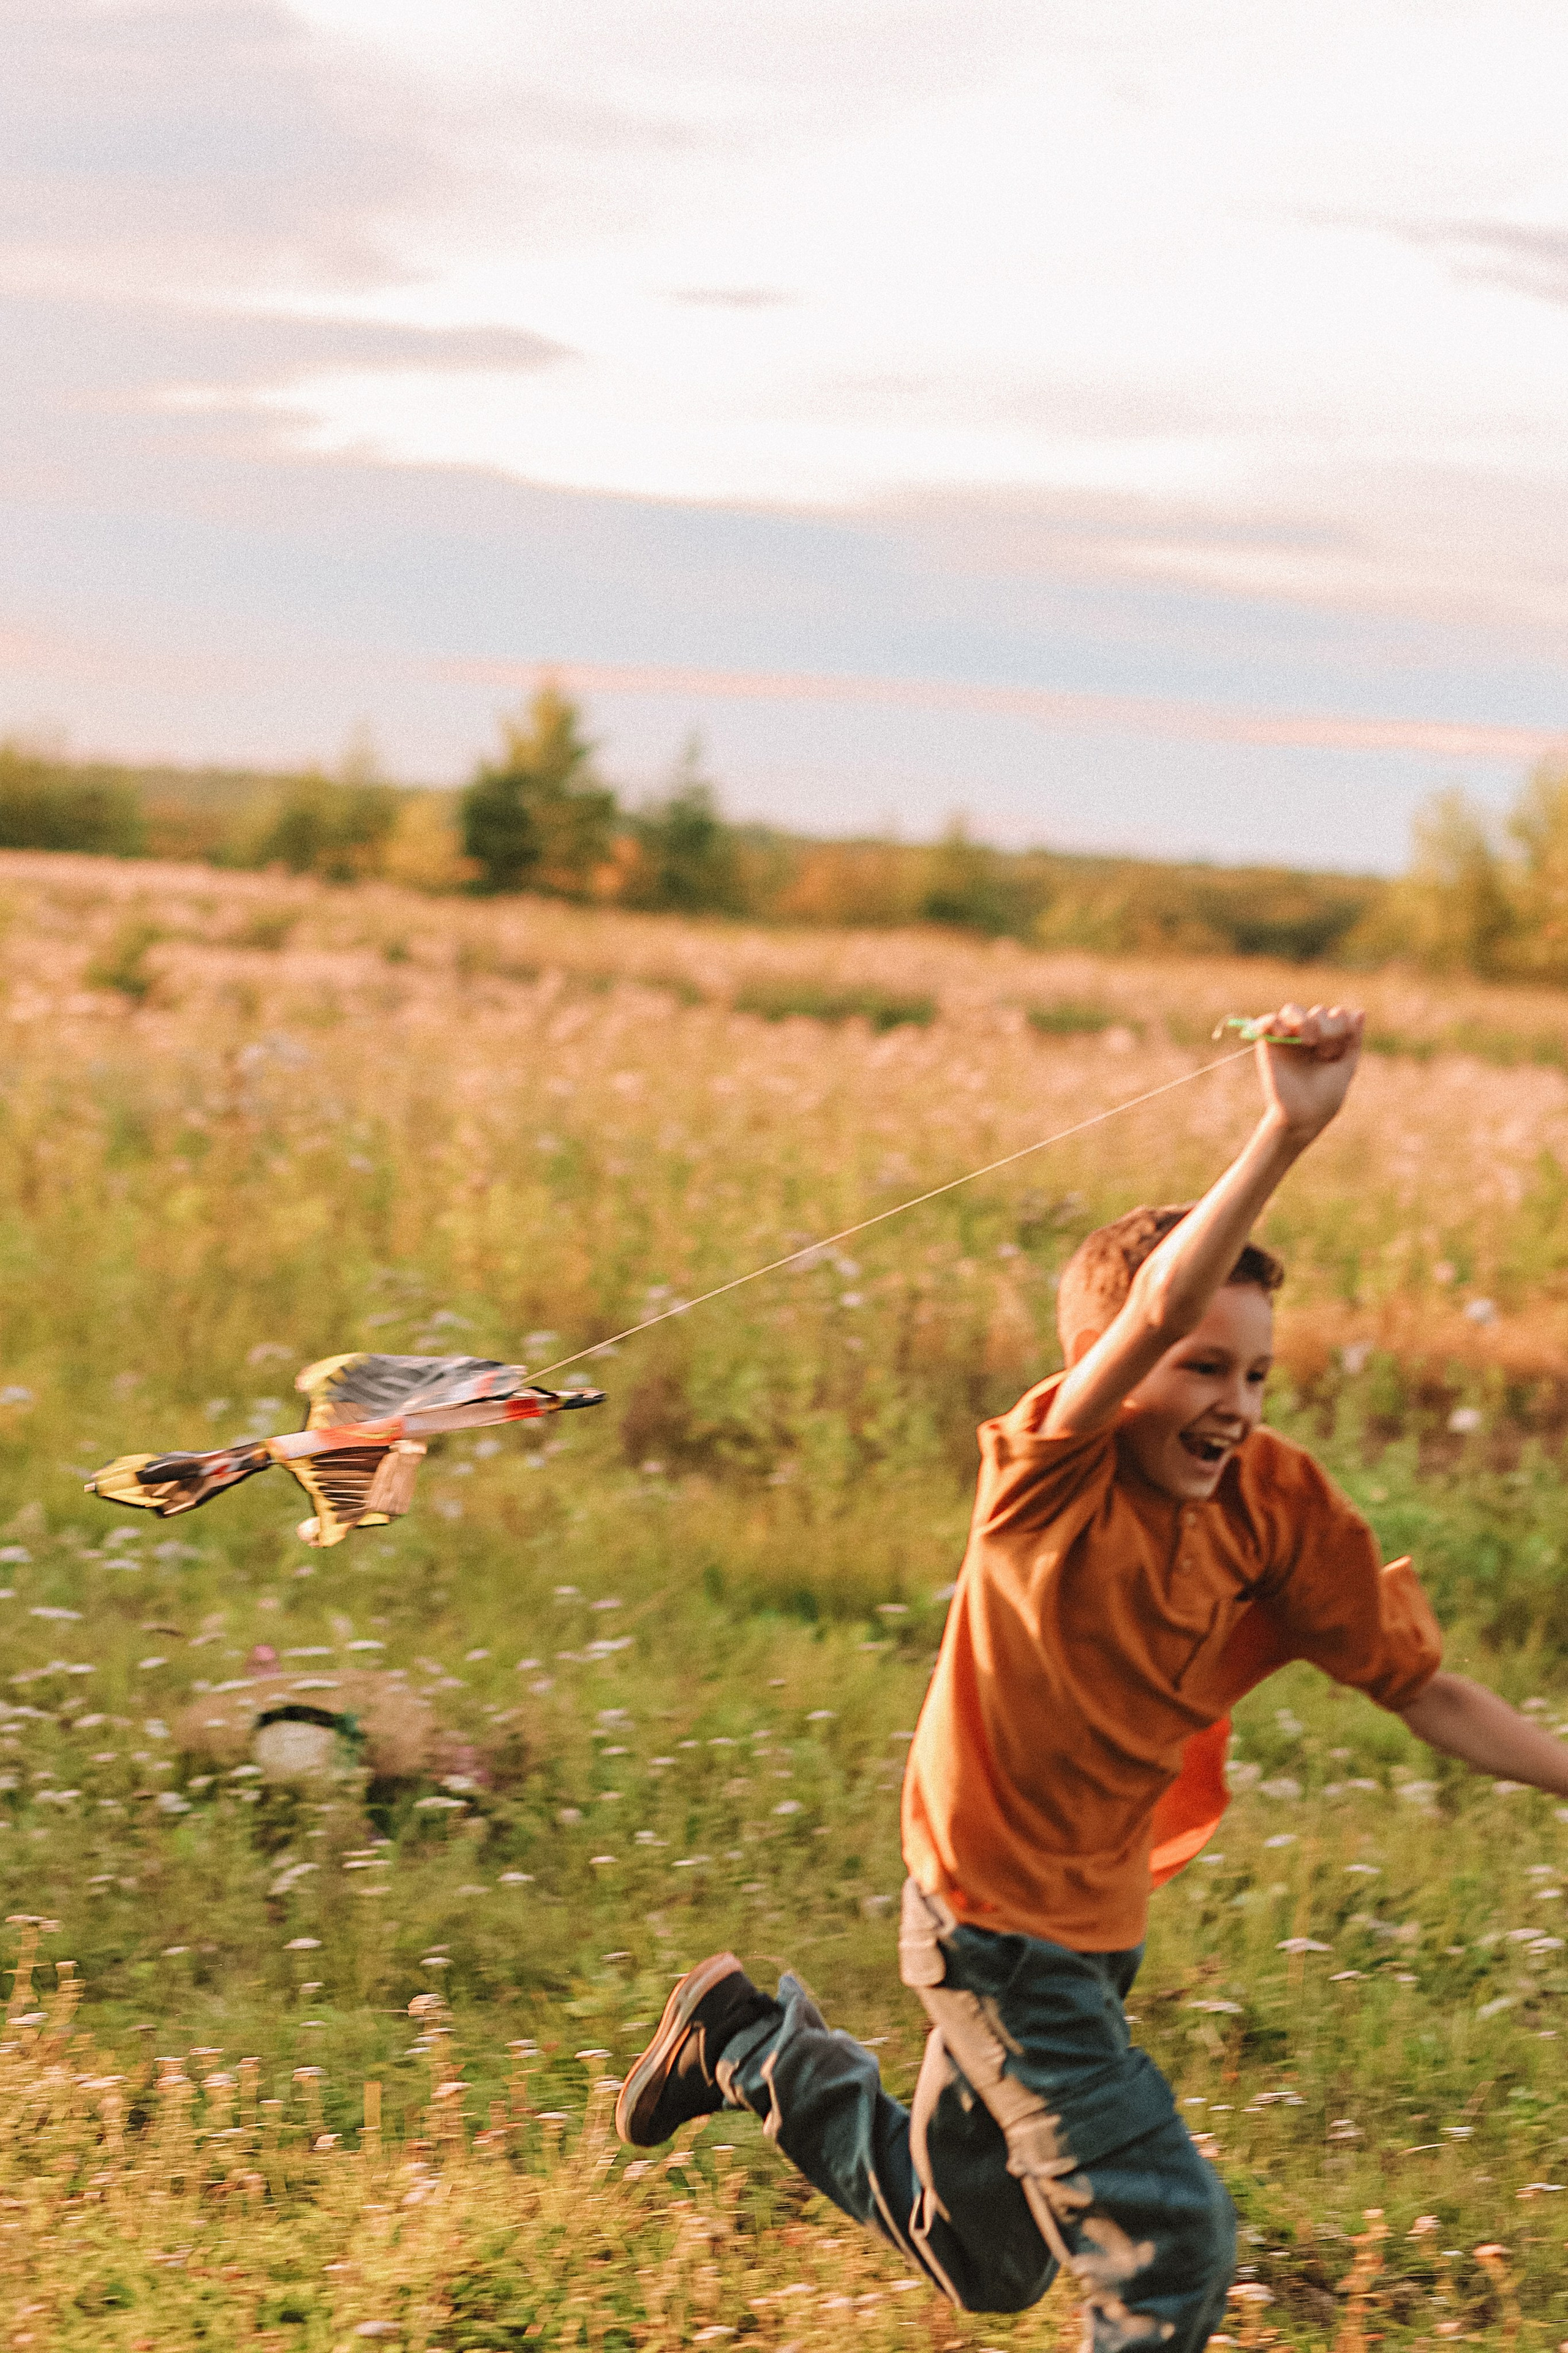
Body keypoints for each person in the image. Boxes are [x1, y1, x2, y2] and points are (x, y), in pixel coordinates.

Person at [615, 1004, 1568, 2349]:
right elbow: (1160, 1297)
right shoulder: (1045, 1478)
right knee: (1165, 2238)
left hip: (1092, 1924)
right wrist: (1286, 1128)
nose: (1232, 1401)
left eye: (1253, 1372)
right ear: (1107, 1368)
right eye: (1195, 1365)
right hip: (987, 1926)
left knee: (986, 2257)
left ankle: (746, 2044)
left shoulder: (1274, 1501)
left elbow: (1418, 1687)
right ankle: (758, 2049)